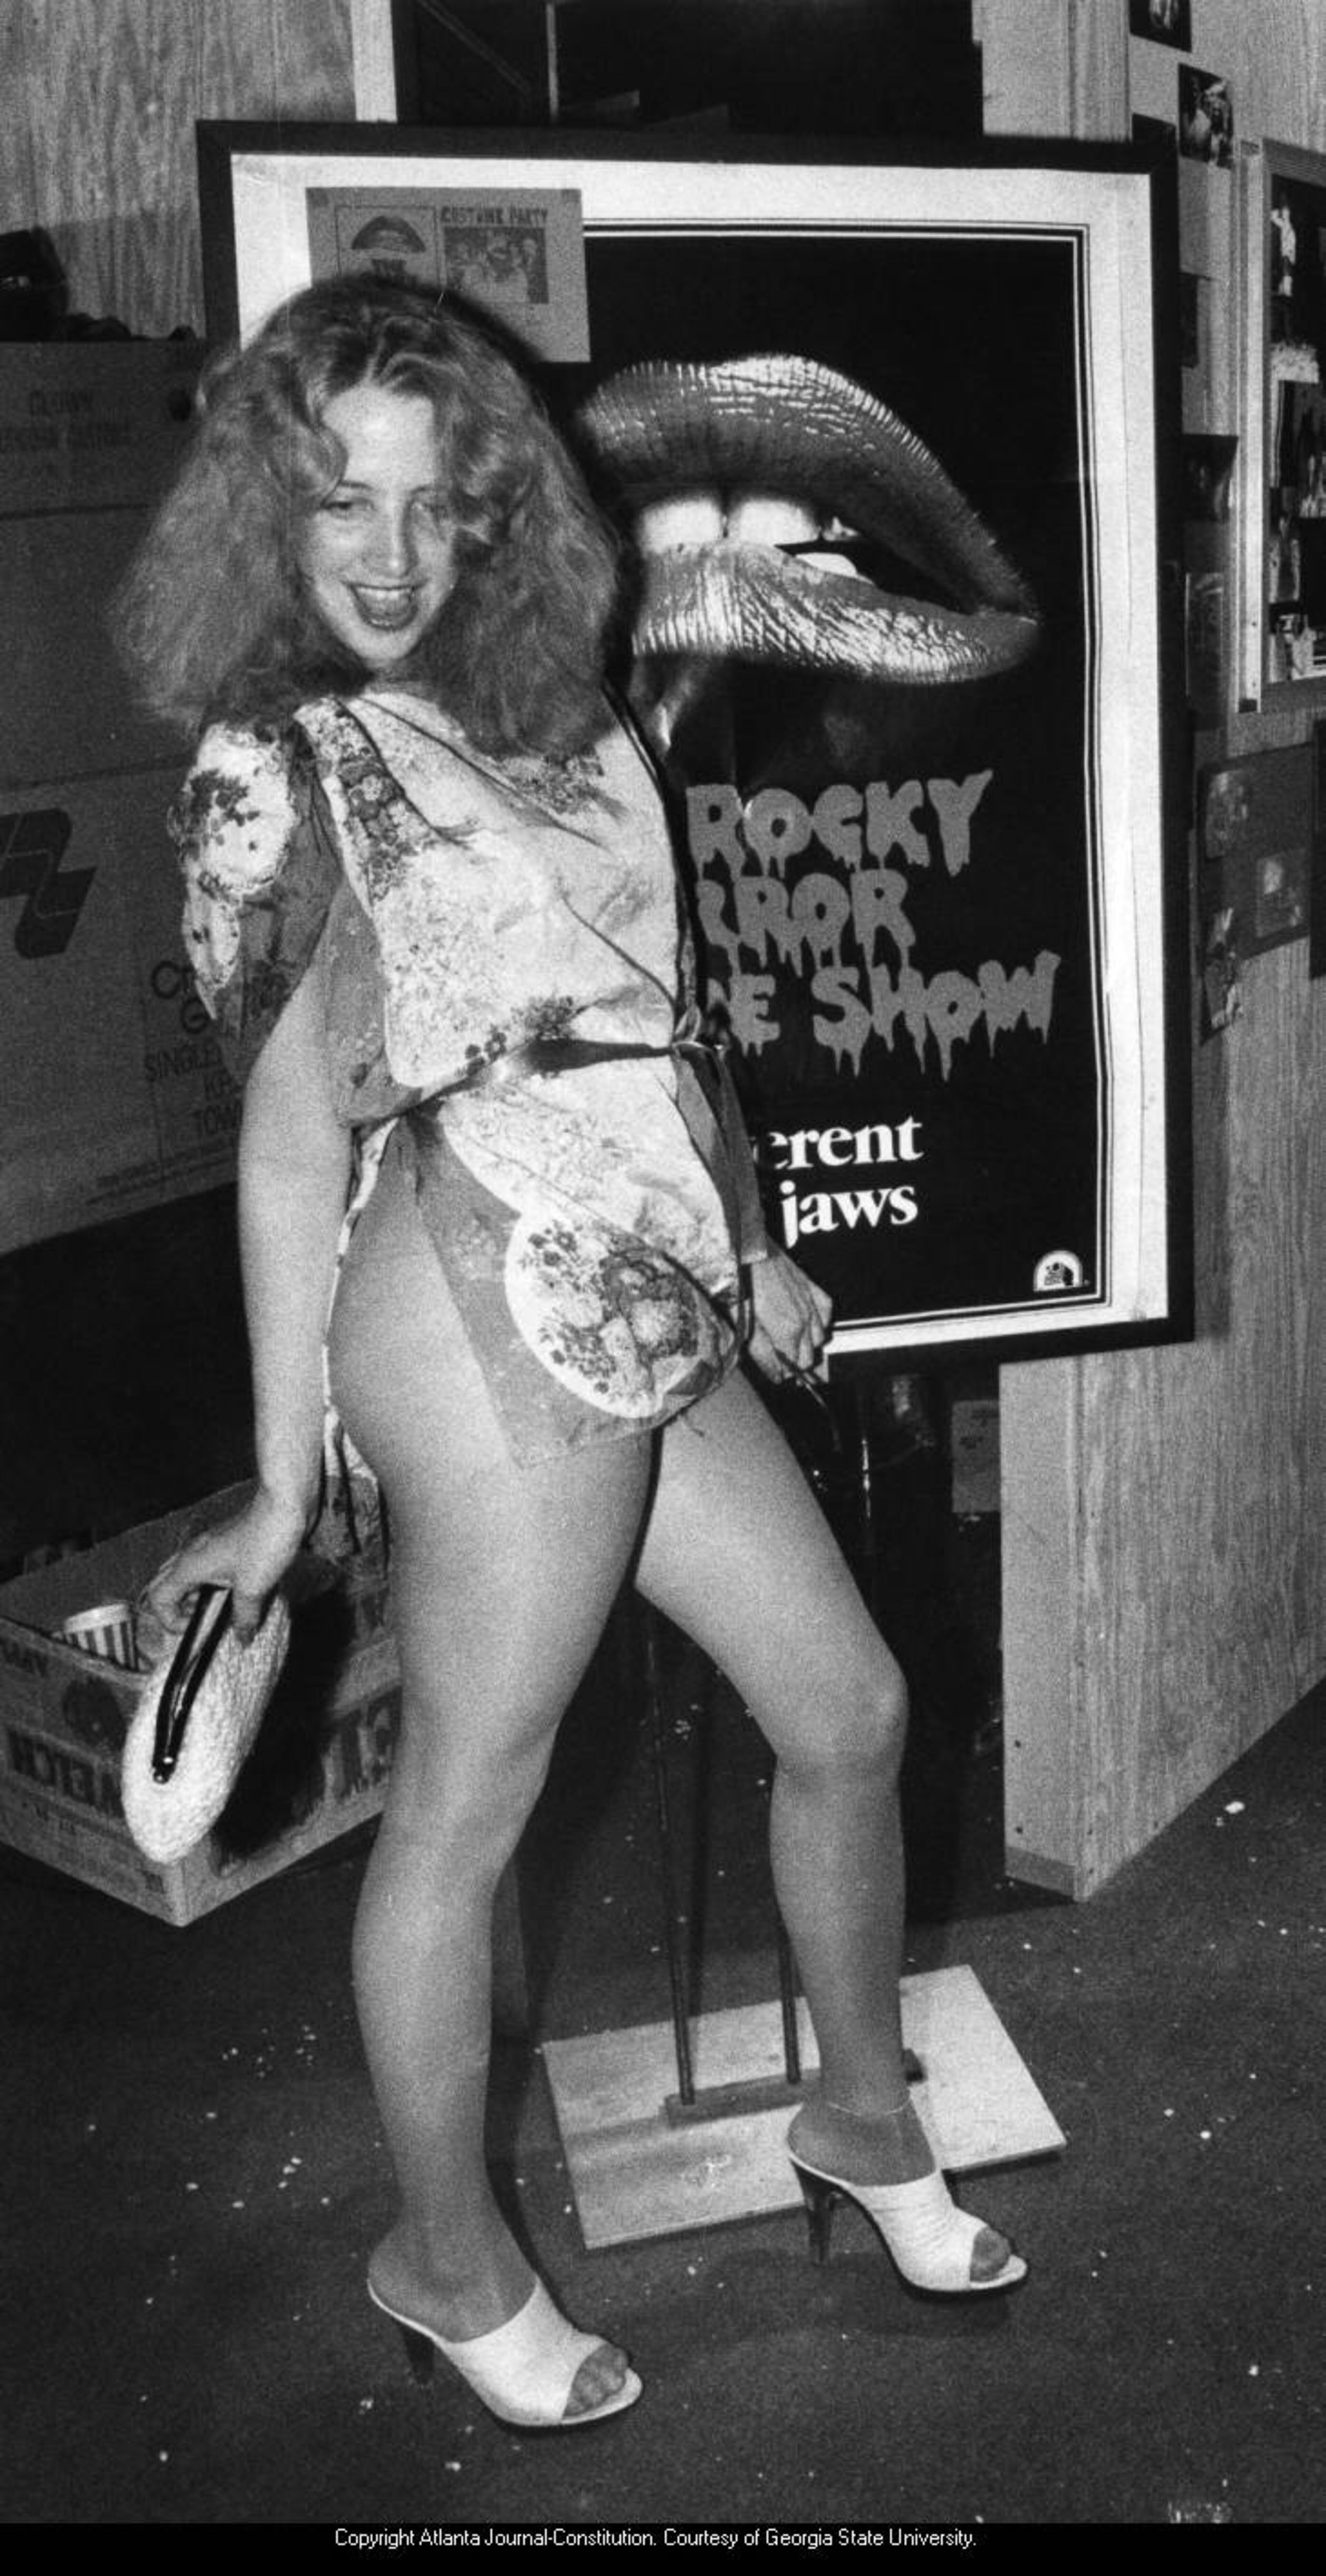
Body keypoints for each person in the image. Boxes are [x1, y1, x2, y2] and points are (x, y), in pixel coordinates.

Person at [116, 277, 1025, 2434]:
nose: (391, 552)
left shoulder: (578, 711)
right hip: (472, 1269)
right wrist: (275, 1473)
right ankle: (440, 2250)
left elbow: (659, 1020)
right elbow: (280, 1139)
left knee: (852, 1707)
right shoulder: (289, 763)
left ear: (508, 517)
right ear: (272, 512)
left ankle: (864, 2121)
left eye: (440, 503)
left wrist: (762, 1240)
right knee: (469, 1806)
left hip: (647, 1257)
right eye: (341, 498)